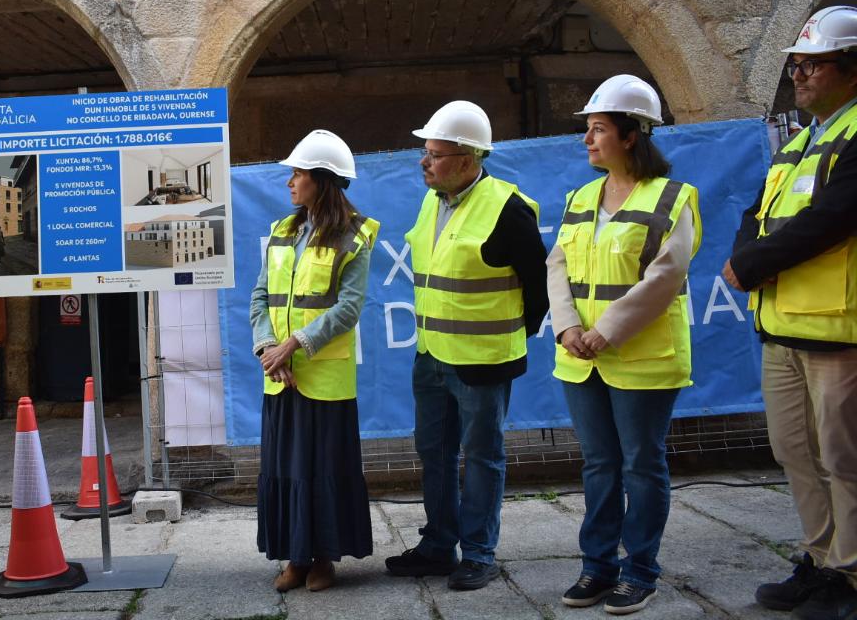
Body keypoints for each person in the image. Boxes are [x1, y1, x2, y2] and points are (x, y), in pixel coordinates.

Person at [547, 75, 700, 616]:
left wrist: (603, 332)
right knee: (598, 465)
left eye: (597, 130)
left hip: (640, 358)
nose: (586, 140)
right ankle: (597, 567)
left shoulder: (674, 197)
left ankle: (640, 571)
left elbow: (665, 276)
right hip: (581, 358)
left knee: (641, 465)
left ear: (632, 135)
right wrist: (566, 327)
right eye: (587, 131)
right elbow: (557, 267)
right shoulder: (580, 197)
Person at [723, 6, 857, 620]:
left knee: (844, 459)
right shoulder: (804, 140)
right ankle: (820, 557)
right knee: (795, 452)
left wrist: (751, 266)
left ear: (850, 70)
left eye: (812, 64)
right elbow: (758, 213)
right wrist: (743, 255)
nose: (798, 75)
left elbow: (834, 217)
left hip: (839, 329)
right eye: (796, 65)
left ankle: (849, 576)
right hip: (782, 326)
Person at [385, 101, 548, 590]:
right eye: (425, 152)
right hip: (431, 355)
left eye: (435, 154)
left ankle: (479, 553)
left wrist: (507, 338)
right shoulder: (434, 199)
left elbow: (539, 286)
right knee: (433, 453)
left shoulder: (507, 207)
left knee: (482, 457)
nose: (424, 162)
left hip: (482, 363)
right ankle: (439, 545)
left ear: (468, 158)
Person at [250, 130, 380, 593]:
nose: (290, 181)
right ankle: (293, 558)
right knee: (286, 468)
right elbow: (260, 296)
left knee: (324, 468)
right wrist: (268, 348)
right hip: (280, 376)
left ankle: (323, 558)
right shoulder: (284, 232)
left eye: (299, 173)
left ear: (322, 181)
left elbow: (349, 307)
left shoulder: (355, 236)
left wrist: (295, 344)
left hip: (324, 378)